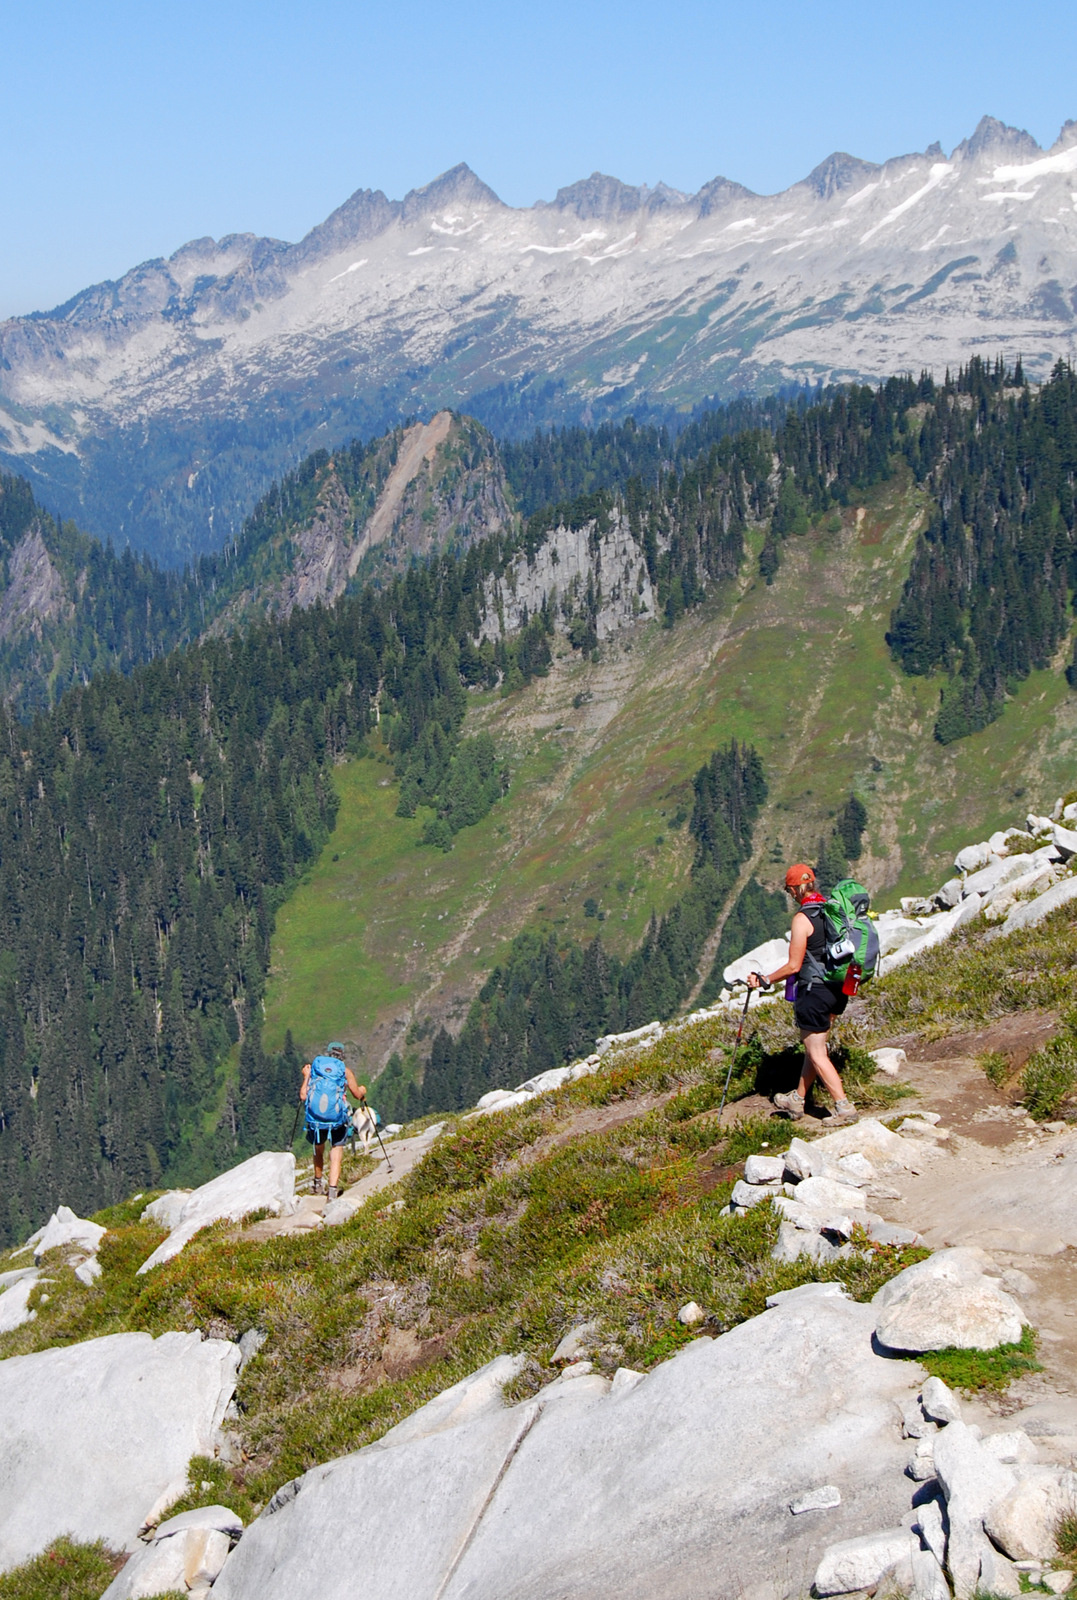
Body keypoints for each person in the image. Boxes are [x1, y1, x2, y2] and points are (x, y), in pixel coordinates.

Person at [746, 864, 857, 1122]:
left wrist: (764, 980)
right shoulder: (831, 910)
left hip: (813, 992)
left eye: (789, 890)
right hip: (836, 989)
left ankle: (844, 1108)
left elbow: (794, 966)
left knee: (817, 1053)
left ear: (796, 889)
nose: (790, 895)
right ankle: (797, 1100)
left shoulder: (802, 919)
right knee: (813, 1048)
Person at [300, 1042, 367, 1201]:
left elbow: (303, 1096)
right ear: (342, 1056)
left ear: (328, 1054)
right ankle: (332, 1192)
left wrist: (306, 1076)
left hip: (317, 1119)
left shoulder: (315, 1069)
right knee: (336, 1153)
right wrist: (363, 1091)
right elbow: (357, 1094)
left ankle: (317, 1184)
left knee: (318, 1149)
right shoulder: (345, 1071)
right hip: (337, 1119)